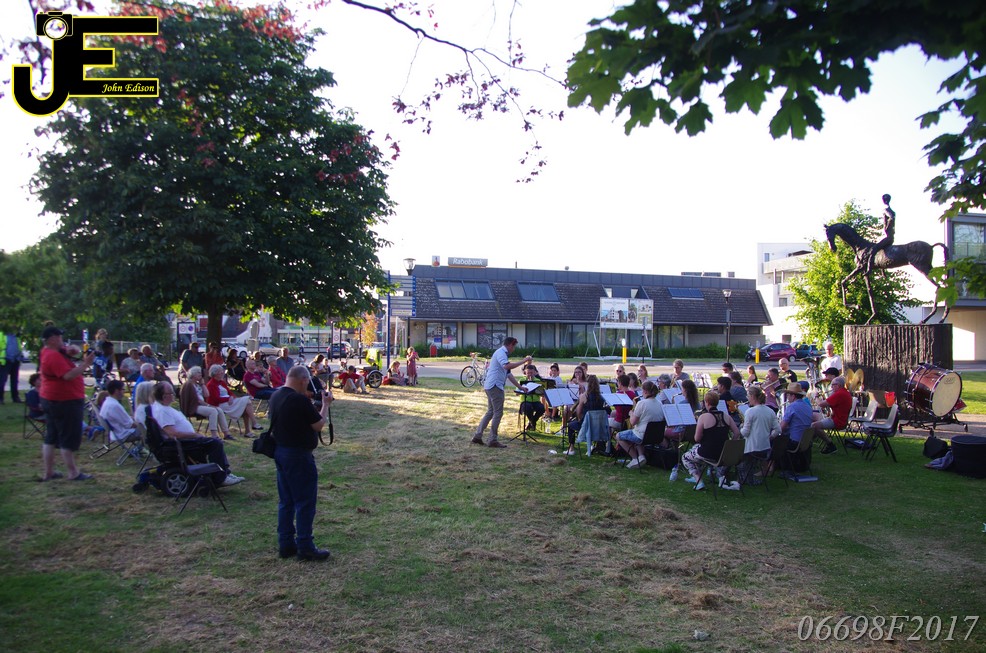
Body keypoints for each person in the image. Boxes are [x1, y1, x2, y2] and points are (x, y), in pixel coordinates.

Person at [270, 365, 333, 561]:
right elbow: (318, 425)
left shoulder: (276, 395)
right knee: (305, 502)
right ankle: (305, 546)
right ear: (303, 380)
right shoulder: (298, 400)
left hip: (281, 451)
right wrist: (326, 405)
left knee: (286, 501)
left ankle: (286, 543)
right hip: (298, 455)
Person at [149, 382, 244, 487]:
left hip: (185, 441)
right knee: (215, 443)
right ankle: (220, 478)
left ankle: (225, 473)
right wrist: (195, 435)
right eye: (171, 393)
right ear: (164, 396)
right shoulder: (162, 411)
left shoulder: (163, 408)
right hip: (182, 444)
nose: (174, 395)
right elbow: (172, 433)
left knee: (214, 442)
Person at [38, 325, 95, 481]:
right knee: (67, 437)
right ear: (53, 339)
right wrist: (86, 364)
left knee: (51, 437)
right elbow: (68, 375)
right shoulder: (52, 356)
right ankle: (73, 472)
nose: (61, 340)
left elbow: (70, 351)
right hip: (64, 401)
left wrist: (71, 350)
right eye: (59, 337)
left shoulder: (49, 352)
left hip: (51, 398)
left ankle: (49, 472)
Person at [472, 336, 531, 449]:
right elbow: (507, 366)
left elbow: (508, 374)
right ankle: (492, 440)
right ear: (510, 344)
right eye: (514, 346)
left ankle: (477, 436)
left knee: (490, 412)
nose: (514, 349)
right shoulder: (501, 353)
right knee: (498, 413)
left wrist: (520, 387)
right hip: (495, 386)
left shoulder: (501, 353)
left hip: (490, 385)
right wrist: (524, 361)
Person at [681, 390, 740, 490]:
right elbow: (737, 433)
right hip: (723, 454)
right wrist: (729, 445)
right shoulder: (726, 416)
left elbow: (697, 438)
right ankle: (704, 474)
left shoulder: (703, 417)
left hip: (707, 453)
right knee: (695, 449)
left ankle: (698, 481)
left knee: (685, 457)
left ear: (707, 402)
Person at [616, 380, 664, 469]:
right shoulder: (660, 403)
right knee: (639, 431)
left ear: (645, 391)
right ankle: (641, 456)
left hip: (642, 436)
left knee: (618, 436)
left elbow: (632, 422)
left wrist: (631, 413)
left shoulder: (642, 403)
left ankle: (635, 458)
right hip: (656, 436)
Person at [738, 386, 779, 484]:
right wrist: (770, 437)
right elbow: (778, 430)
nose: (747, 398)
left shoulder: (750, 411)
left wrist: (740, 428)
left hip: (752, 449)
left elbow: (745, 433)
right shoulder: (770, 411)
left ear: (752, 396)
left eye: (748, 396)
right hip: (765, 448)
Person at [205, 364, 259, 436]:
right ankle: (253, 424)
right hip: (219, 405)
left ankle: (249, 429)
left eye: (222, 371)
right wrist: (228, 398)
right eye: (220, 371)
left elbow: (230, 393)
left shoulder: (221, 382)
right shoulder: (211, 385)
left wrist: (231, 397)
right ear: (215, 373)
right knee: (247, 401)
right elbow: (216, 399)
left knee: (247, 405)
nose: (222, 373)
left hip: (229, 402)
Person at [179, 366, 232, 439]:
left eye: (200, 373)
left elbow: (207, 395)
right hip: (193, 407)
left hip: (201, 406)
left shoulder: (197, 384)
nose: (200, 374)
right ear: (193, 374)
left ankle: (226, 433)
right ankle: (214, 435)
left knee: (219, 410)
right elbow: (197, 400)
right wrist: (209, 405)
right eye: (198, 373)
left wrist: (202, 384)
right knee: (213, 411)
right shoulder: (188, 384)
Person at [566, 374, 606, 456]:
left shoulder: (584, 396)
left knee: (570, 425)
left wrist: (579, 418)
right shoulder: (601, 397)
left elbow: (578, 412)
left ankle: (571, 449)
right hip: (598, 426)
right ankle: (592, 445)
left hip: (587, 425)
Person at [809, 376, 850, 454]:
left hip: (837, 421)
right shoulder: (844, 392)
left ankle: (830, 445)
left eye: (832, 385)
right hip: (838, 418)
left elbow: (821, 404)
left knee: (814, 425)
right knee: (814, 419)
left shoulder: (839, 394)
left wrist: (816, 397)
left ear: (838, 385)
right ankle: (809, 443)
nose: (831, 387)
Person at [518, 364, 545, 432]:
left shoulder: (538, 380)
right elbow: (517, 393)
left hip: (536, 401)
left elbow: (542, 394)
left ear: (534, 372)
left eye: (531, 373)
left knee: (541, 408)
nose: (530, 374)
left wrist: (539, 391)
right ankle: (533, 423)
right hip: (525, 401)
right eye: (528, 373)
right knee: (527, 407)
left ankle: (531, 422)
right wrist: (523, 389)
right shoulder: (521, 380)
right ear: (525, 372)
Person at [1, 332, 24, 403]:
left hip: (15, 360)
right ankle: (0, 398)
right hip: (5, 360)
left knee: (14, 380)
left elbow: (19, 347)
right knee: (2, 380)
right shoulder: (2, 334)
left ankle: (15, 397)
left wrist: (20, 356)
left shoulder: (16, 335)